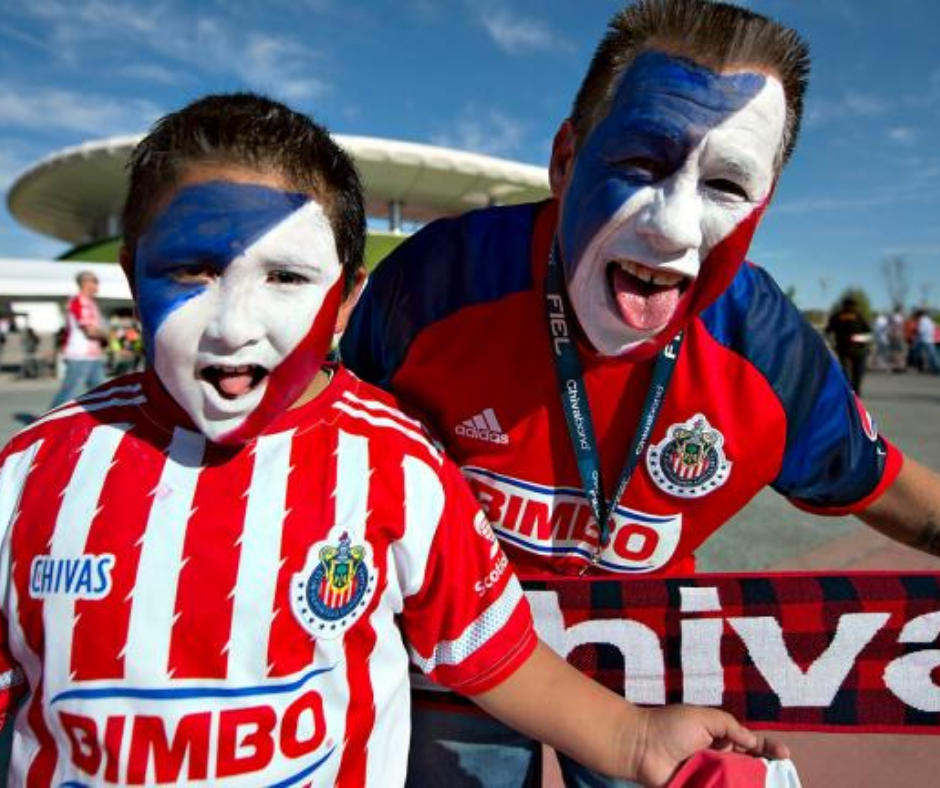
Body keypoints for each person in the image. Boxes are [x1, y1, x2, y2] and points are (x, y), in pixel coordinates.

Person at [0, 93, 785, 788]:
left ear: (346, 300)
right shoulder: (26, 476)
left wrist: (639, 737)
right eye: (195, 271)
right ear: (134, 273)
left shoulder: (399, 466)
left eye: (286, 278)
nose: (235, 325)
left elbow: (488, 654)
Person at [341, 0, 940, 784]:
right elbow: (331, 459)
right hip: (457, 660)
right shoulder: (436, 284)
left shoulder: (767, 347)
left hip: (645, 662)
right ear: (566, 160)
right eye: (639, 165)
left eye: (726, 184)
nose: (673, 229)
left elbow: (892, 489)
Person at [49, 270, 108, 407]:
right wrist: (108, 336)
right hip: (79, 354)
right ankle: (48, 422)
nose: (97, 285)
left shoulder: (90, 302)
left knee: (100, 391)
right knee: (68, 392)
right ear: (85, 283)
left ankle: (102, 420)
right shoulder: (80, 301)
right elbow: (89, 331)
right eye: (95, 281)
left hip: (92, 355)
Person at [825, 296, 871, 394]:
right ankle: (853, 391)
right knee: (854, 372)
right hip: (853, 349)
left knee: (851, 372)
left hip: (850, 349)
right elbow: (869, 333)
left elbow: (828, 330)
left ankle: (852, 391)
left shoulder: (839, 316)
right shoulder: (858, 316)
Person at [912, 309, 940, 374]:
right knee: (933, 355)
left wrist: (915, 331)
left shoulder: (922, 321)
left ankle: (936, 368)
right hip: (930, 339)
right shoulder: (929, 320)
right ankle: (934, 368)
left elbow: (921, 330)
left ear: (919, 315)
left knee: (918, 353)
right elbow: (934, 327)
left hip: (924, 340)